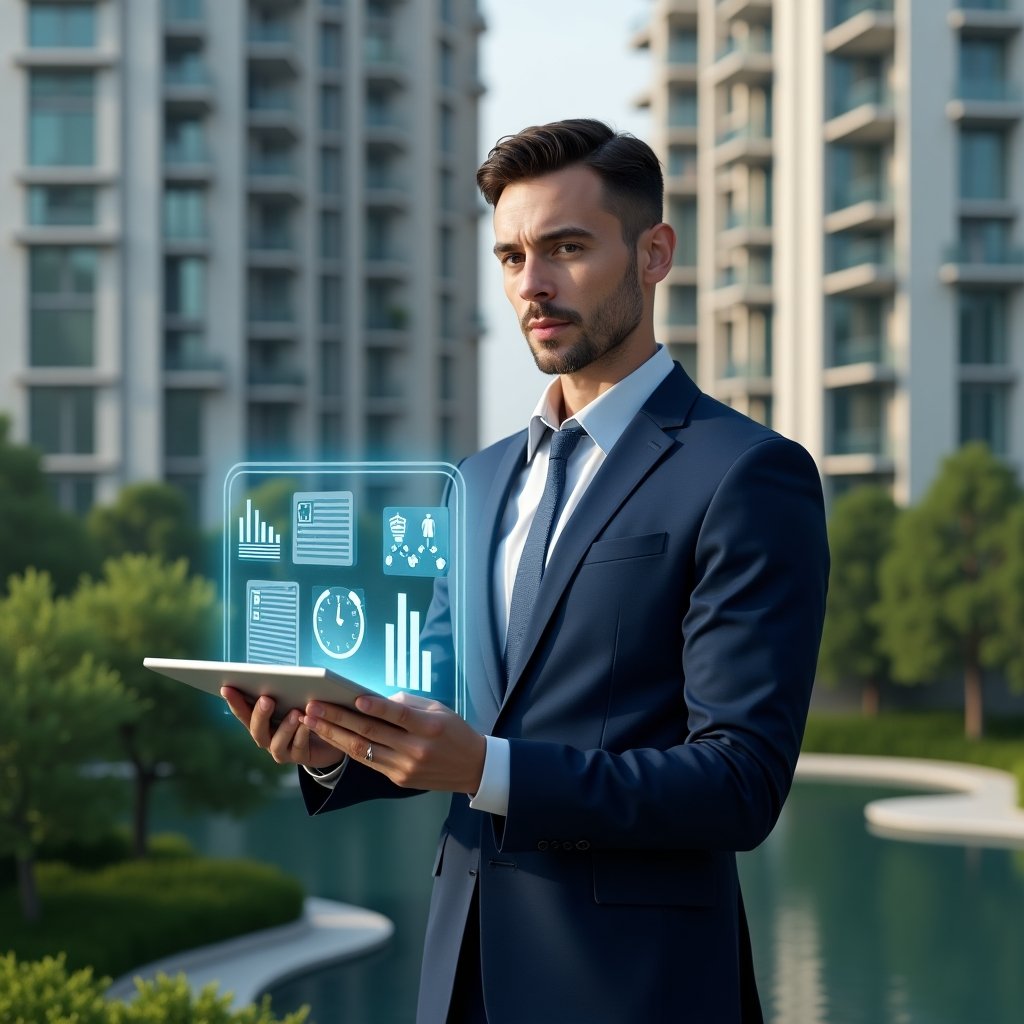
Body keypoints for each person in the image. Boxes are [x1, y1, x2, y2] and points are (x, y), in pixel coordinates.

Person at [224, 118, 829, 1024]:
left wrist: (493, 769)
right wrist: (333, 748)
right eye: (510, 257)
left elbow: (739, 782)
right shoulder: (474, 480)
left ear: (654, 252)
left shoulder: (747, 473)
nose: (532, 286)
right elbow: (440, 700)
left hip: (637, 989)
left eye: (566, 249)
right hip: (460, 978)